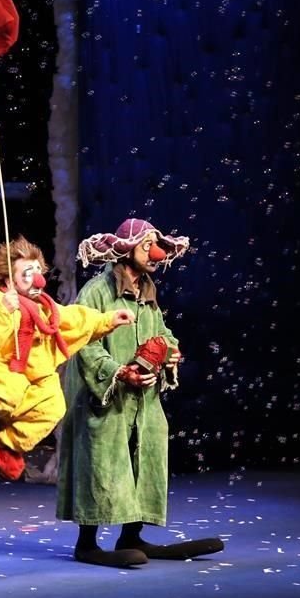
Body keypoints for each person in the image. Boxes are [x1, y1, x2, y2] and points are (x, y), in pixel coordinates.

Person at [56, 218, 225, 567]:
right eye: (147, 246)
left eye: (156, 246)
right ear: (126, 250)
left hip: (142, 400)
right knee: (101, 461)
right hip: (104, 399)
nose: (155, 253)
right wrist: (118, 372)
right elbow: (83, 342)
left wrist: (171, 352)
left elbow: (162, 333)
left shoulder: (147, 292)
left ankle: (131, 535)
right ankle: (86, 543)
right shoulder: (97, 291)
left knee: (143, 455)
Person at [0, 235, 134, 481]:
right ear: (9, 279)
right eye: (28, 273)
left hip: (26, 377)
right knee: (8, 390)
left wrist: (108, 320)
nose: (38, 278)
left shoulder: (42, 307)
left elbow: (72, 319)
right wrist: (3, 312)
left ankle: (0, 444)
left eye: (38, 271)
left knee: (53, 404)